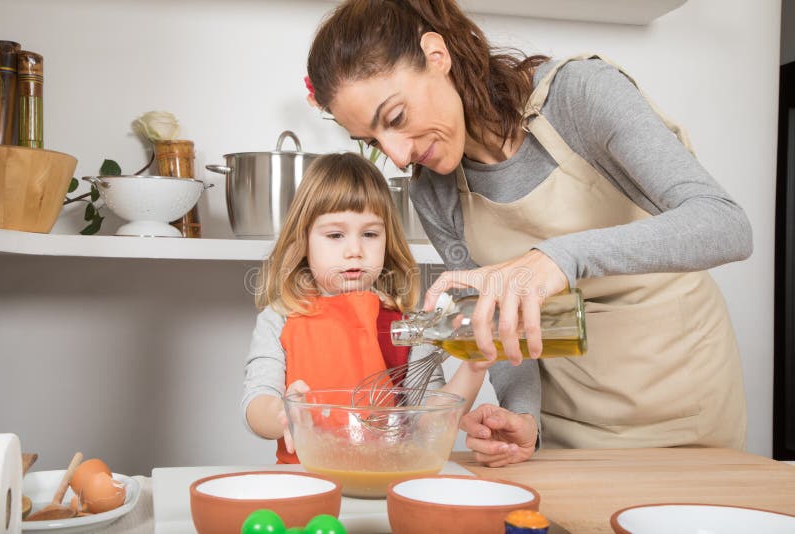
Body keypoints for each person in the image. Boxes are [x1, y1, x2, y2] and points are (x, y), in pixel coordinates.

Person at [305, 0, 752, 466]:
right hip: (567, 428)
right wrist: (523, 418)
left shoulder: (579, 97)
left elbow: (725, 224)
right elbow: (492, 324)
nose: (397, 156)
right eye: (374, 141)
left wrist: (558, 258)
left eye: (395, 117)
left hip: (685, 413)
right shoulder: (433, 191)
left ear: (436, 56)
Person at [242, 152, 487, 463]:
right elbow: (255, 404)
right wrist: (282, 412)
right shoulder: (279, 319)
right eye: (335, 235)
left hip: (385, 481)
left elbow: (430, 423)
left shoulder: (406, 324)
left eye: (370, 234)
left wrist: (474, 368)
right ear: (302, 240)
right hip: (305, 480)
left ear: (387, 239)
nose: (355, 251)